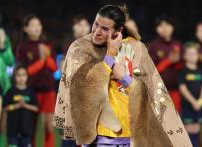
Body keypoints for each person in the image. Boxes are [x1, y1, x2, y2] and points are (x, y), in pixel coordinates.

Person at [53, 5, 192, 147]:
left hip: (129, 133)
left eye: (105, 29)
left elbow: (148, 90)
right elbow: (83, 90)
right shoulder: (81, 47)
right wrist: (110, 56)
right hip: (99, 134)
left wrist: (125, 78)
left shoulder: (136, 48)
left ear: (119, 30)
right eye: (96, 24)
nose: (97, 32)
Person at [15, 15, 57, 147]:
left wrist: (46, 57)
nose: (37, 28)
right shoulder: (22, 47)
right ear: (26, 29)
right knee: (30, 127)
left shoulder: (47, 45)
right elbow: (24, 72)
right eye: (33, 25)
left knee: (49, 128)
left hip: (48, 91)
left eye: (38, 24)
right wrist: (41, 61)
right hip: (31, 91)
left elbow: (54, 67)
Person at [149, 15, 183, 112]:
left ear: (172, 27)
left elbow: (184, 67)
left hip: (176, 90)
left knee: (176, 120)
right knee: (162, 120)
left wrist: (178, 63)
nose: (164, 28)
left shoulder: (178, 45)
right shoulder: (154, 46)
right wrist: (168, 61)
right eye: (161, 26)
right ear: (157, 29)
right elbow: (151, 69)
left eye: (167, 25)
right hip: (159, 90)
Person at [179, 42, 202, 147]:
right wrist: (193, 102)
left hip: (198, 106)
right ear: (185, 56)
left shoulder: (201, 71)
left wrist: (201, 101)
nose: (192, 56)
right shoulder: (183, 72)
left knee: (197, 128)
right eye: (189, 54)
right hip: (188, 106)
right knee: (189, 129)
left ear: (197, 56)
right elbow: (183, 88)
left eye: (194, 54)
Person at [3, 65, 39, 147]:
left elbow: (36, 108)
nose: (21, 78)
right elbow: (5, 108)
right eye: (18, 75)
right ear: (15, 76)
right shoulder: (10, 91)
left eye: (23, 75)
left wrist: (25, 105)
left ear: (27, 76)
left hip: (26, 131)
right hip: (12, 131)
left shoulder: (31, 92)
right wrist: (15, 106)